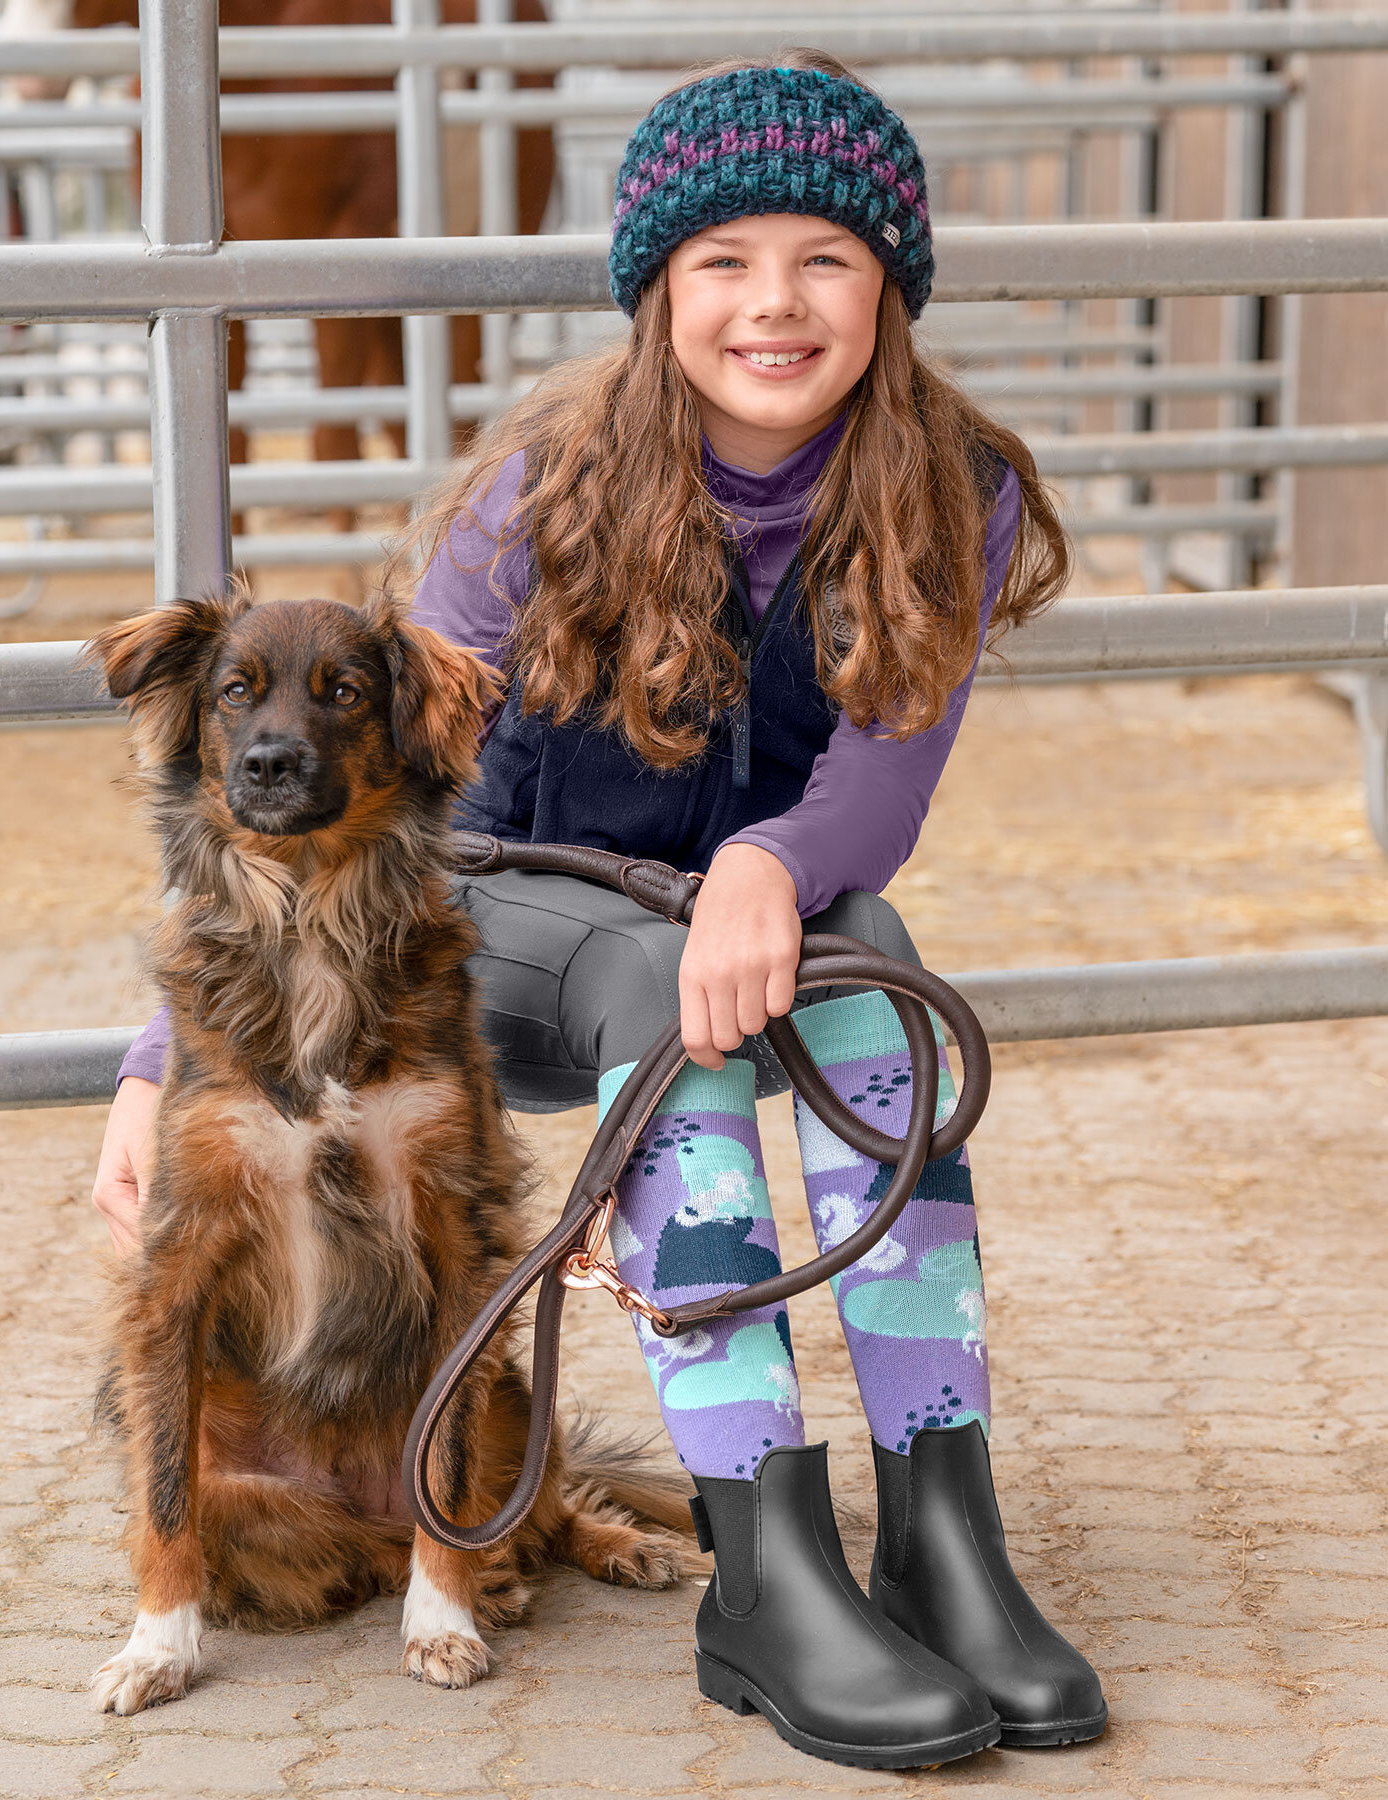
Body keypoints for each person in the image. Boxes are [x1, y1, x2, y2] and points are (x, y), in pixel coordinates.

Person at [93, 50, 1106, 1771]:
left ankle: (944, 1520)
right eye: (721, 262)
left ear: (891, 286)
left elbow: (882, 780)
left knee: (884, 983)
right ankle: (763, 1559)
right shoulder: (546, 483)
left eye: (824, 260)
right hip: (505, 937)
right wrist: (159, 1062)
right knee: (659, 981)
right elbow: (367, 806)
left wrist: (770, 872)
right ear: (656, 292)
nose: (771, 305)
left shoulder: (949, 480)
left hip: (755, 916)